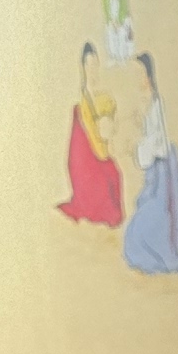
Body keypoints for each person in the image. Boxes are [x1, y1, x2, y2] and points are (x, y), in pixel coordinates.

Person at [118, 52, 178, 274]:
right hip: (154, 170)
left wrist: (135, 150)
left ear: (148, 76)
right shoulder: (148, 102)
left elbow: (158, 143)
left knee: (142, 226)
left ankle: (157, 245)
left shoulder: (157, 103)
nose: (138, 79)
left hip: (161, 173)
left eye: (140, 74)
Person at [58, 46, 122, 225]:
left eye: (95, 65)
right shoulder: (82, 103)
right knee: (103, 191)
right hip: (88, 161)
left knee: (115, 174)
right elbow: (91, 138)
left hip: (101, 152)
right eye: (89, 65)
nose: (92, 70)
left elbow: (113, 127)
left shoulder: (104, 98)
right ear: (83, 67)